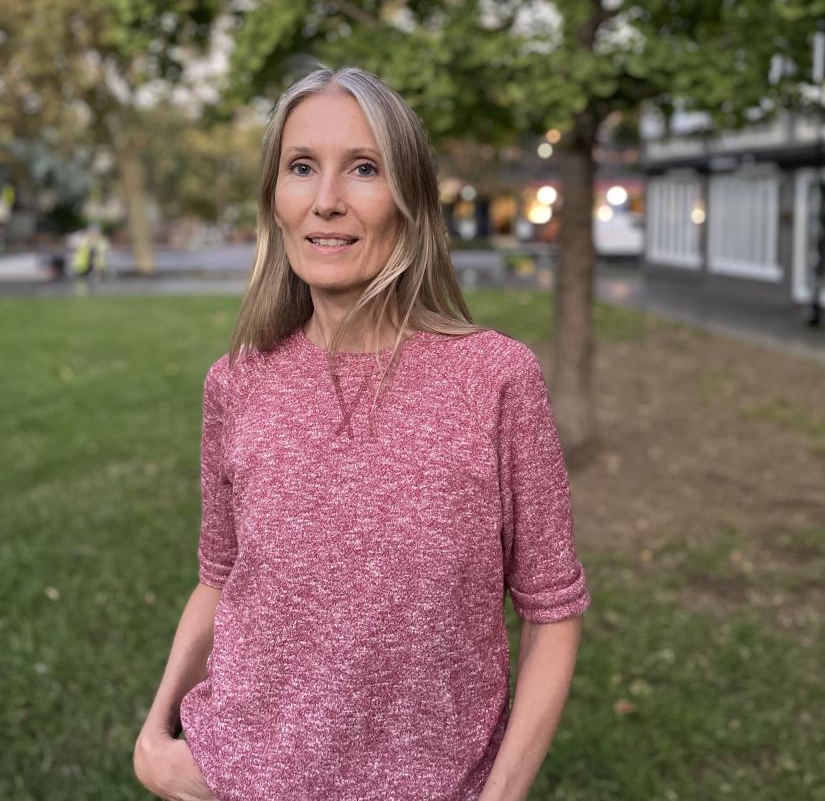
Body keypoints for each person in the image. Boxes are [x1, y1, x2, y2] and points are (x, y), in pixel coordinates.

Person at [133, 64, 591, 801]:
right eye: (301, 167)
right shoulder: (237, 382)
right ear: (274, 200)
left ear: (407, 199)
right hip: (237, 781)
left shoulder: (494, 380)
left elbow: (552, 611)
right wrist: (154, 739)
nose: (326, 202)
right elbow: (219, 578)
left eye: (364, 169)